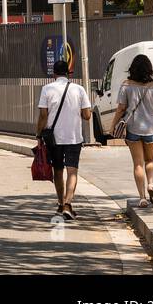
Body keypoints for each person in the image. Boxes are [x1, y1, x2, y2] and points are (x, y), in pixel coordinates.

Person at [36, 59, 92, 220]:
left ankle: (61, 204)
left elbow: (43, 116)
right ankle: (68, 204)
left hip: (54, 138)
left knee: (58, 171)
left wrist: (38, 135)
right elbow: (87, 116)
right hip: (74, 137)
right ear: (68, 73)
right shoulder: (79, 89)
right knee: (72, 171)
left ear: (54, 73)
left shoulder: (47, 89)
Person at [112, 54, 153, 208]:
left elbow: (120, 109)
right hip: (151, 128)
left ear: (132, 69)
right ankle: (151, 184)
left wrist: (113, 125)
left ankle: (142, 197)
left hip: (133, 128)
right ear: (149, 69)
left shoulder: (126, 85)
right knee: (150, 160)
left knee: (137, 163)